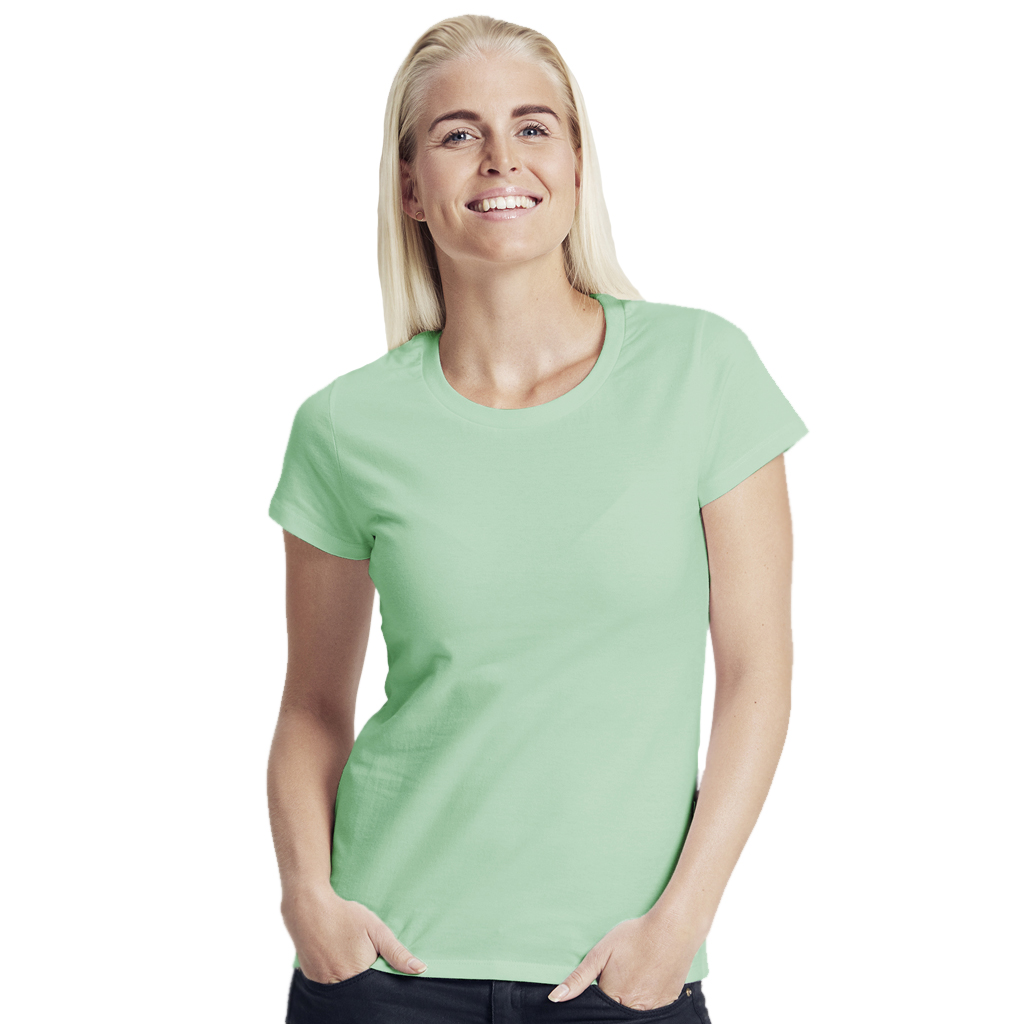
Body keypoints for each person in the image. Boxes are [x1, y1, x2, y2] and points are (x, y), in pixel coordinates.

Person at [267, 14, 808, 1024]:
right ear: (410, 186)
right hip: (384, 972)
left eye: (532, 126)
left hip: (619, 973)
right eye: (457, 133)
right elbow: (312, 706)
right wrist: (308, 898)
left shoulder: (702, 372)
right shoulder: (344, 426)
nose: (500, 159)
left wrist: (679, 924)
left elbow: (756, 676)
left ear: (575, 162)